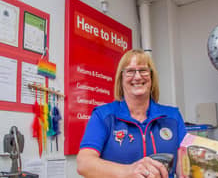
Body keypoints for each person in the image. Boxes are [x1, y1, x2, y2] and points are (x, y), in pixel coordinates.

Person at [77, 49, 186, 178]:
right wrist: (129, 171)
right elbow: (84, 164)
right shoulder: (103, 116)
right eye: (130, 71)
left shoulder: (173, 117)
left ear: (151, 77)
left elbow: (184, 167)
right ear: (121, 78)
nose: (138, 76)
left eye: (143, 70)